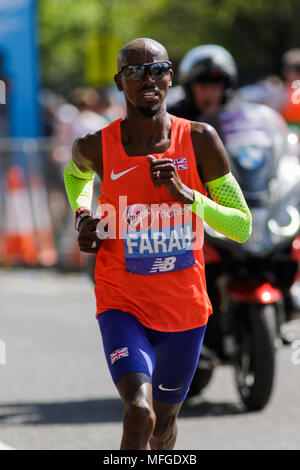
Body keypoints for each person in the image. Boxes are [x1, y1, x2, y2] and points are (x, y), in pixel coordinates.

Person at [64, 38, 252, 450]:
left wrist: (188, 195)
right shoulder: (95, 145)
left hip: (185, 307)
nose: (147, 79)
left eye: (158, 70)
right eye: (134, 71)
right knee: (139, 413)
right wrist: (83, 215)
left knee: (164, 426)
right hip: (121, 302)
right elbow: (75, 177)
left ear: (170, 78)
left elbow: (241, 226)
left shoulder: (200, 139)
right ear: (118, 82)